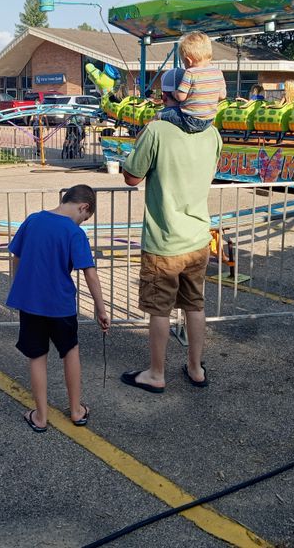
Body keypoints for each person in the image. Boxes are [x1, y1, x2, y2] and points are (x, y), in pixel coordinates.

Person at [120, 70, 223, 393]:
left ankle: (156, 373)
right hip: (198, 237)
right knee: (195, 305)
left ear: (166, 96)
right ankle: (195, 368)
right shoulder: (212, 134)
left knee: (159, 309)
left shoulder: (157, 130)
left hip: (164, 240)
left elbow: (132, 177)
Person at [6, 185, 110, 432]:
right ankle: (76, 410)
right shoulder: (74, 233)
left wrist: (17, 285)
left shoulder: (33, 220)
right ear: (83, 207)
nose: (81, 223)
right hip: (61, 305)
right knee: (70, 351)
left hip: (30, 303)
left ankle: (40, 417)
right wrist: (101, 309)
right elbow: (90, 274)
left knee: (37, 356)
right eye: (84, 219)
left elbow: (16, 256)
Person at [158, 31, 227, 133]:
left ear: (188, 60)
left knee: (161, 114)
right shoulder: (218, 72)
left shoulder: (190, 72)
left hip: (190, 120)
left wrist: (174, 92)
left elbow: (181, 97)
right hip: (209, 120)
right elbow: (222, 95)